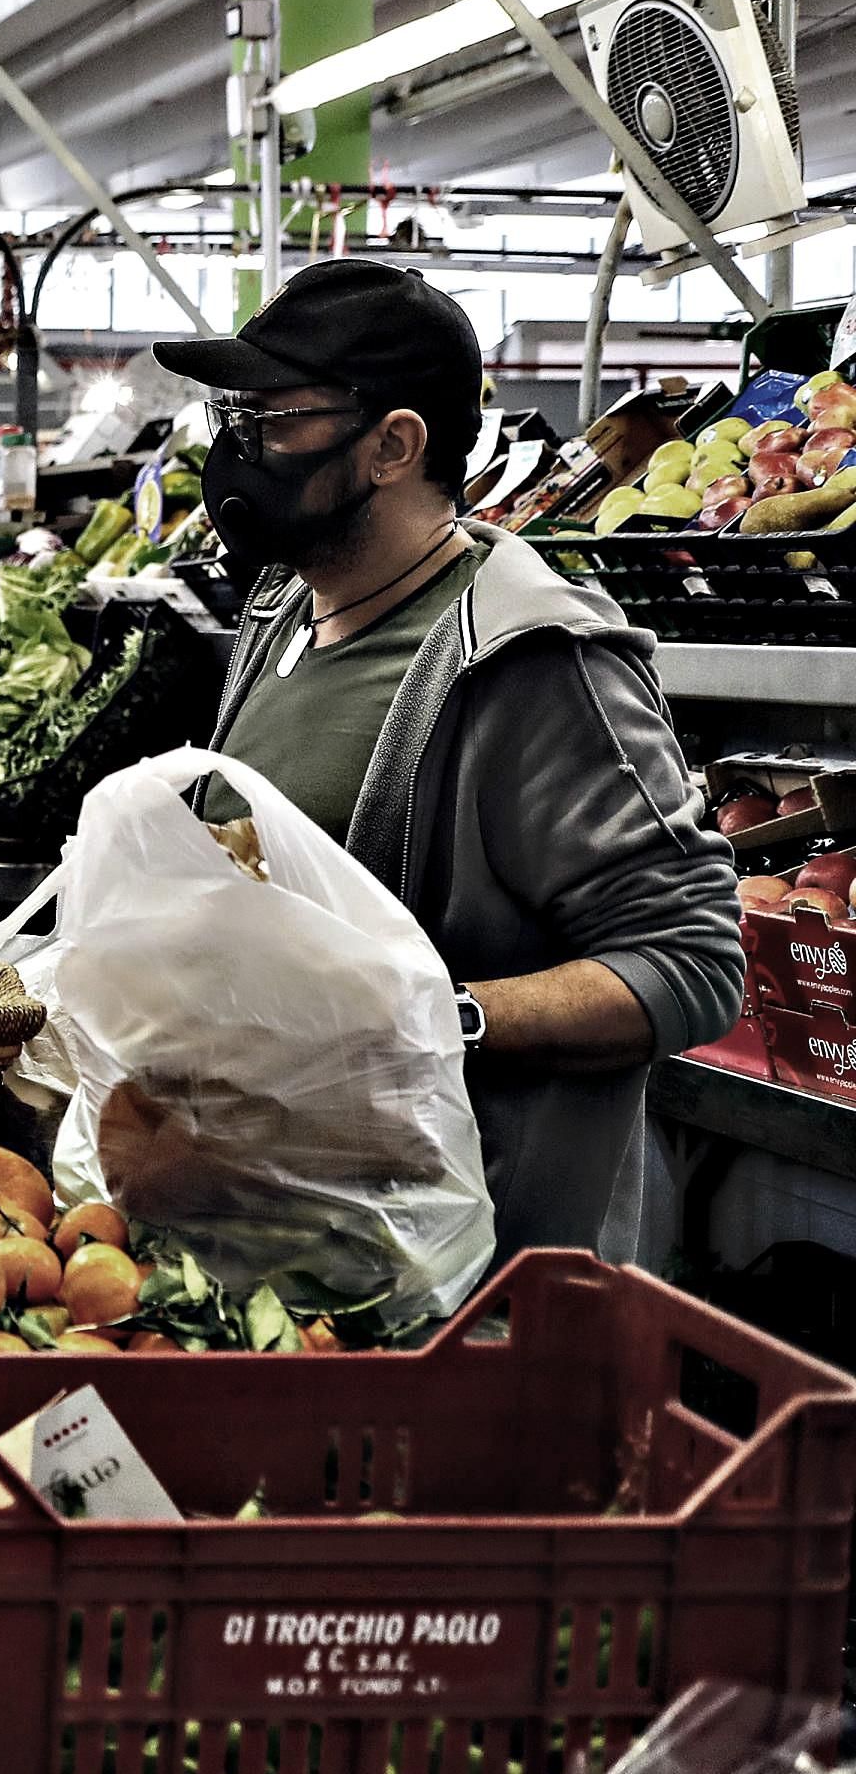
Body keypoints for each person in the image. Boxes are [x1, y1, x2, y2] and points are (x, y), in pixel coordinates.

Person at [156, 258, 743, 1261]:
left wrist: (431, 1014)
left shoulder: (530, 656)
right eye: (231, 415)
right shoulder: (283, 610)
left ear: (393, 443)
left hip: (455, 1279)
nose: (236, 451)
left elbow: (690, 964)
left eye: (272, 419)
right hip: (276, 1229)